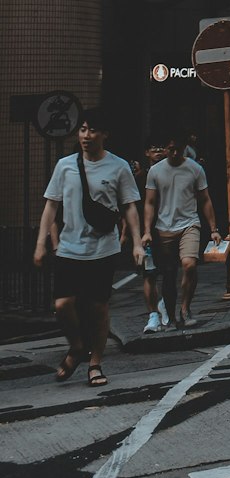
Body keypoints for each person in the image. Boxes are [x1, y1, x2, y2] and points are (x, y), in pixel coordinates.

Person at [33, 109, 144, 387]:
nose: (86, 135)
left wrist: (137, 243)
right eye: (82, 129)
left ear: (104, 134)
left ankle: (95, 364)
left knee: (98, 308)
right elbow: (51, 206)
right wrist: (40, 244)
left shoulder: (118, 167)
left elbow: (129, 206)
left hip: (102, 250)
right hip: (69, 249)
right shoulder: (65, 166)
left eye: (92, 130)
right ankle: (77, 347)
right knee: (62, 305)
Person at [142, 131, 222, 327]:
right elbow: (150, 203)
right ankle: (170, 313)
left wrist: (213, 228)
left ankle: (185, 309)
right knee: (168, 275)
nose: (175, 153)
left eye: (178, 149)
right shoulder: (156, 171)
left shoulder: (195, 169)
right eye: (171, 149)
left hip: (189, 224)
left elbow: (205, 199)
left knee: (189, 265)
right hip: (164, 228)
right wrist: (146, 231)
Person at [128, 139, 173, 333]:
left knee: (169, 273)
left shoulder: (171, 173)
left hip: (169, 229)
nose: (158, 152)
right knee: (149, 273)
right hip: (147, 234)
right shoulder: (140, 178)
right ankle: (153, 314)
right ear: (146, 152)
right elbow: (130, 206)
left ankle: (164, 303)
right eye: (153, 149)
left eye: (160, 148)